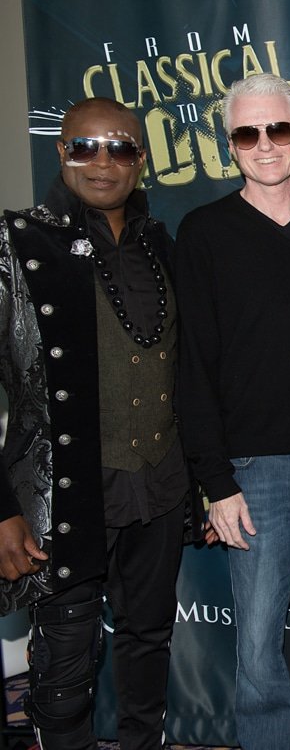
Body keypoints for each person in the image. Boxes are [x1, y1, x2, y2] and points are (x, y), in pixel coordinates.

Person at [0, 97, 192, 749]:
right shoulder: (16, 243)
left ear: (141, 158)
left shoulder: (160, 244)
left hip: (160, 483)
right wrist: (3, 508)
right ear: (61, 152)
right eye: (86, 146)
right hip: (66, 494)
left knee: (148, 641)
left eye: (121, 147)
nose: (103, 161)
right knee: (64, 662)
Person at [174, 74, 290, 750]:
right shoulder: (205, 232)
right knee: (256, 652)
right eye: (248, 133)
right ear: (230, 145)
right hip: (255, 471)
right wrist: (217, 482)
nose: (265, 144)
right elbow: (194, 368)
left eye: (278, 129)